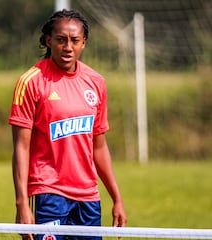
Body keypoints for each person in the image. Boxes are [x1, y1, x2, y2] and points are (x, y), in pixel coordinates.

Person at [8, 9, 127, 240]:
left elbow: (99, 147)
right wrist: (22, 203)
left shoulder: (96, 83)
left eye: (75, 40)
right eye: (61, 40)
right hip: (49, 193)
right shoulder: (30, 82)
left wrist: (117, 198)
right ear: (48, 41)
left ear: (84, 43)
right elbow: (21, 148)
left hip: (88, 197)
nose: (68, 47)